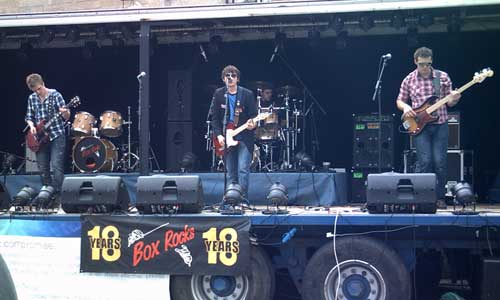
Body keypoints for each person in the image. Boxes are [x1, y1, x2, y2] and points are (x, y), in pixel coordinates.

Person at [396, 47, 461, 208]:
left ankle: (440, 198)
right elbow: (400, 100)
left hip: (440, 124)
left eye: (428, 64)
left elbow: (450, 102)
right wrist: (405, 108)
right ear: (415, 62)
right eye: (422, 64)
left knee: (440, 162)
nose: (425, 67)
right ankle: (421, 198)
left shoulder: (442, 77)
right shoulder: (409, 79)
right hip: (419, 125)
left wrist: (455, 98)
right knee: (424, 161)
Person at [210, 65, 257, 199]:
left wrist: (252, 124)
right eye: (227, 76)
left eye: (233, 76)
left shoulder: (247, 94)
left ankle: (243, 199)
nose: (230, 78)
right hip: (226, 137)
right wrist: (219, 135)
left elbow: (254, 115)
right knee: (230, 172)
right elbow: (215, 118)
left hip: (244, 136)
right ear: (223, 79)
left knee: (243, 169)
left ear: (238, 79)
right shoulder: (219, 94)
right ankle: (231, 199)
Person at [25, 73, 70, 203]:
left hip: (56, 134)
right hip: (40, 137)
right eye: (35, 90)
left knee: (56, 166)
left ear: (43, 83)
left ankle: (62, 198)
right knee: (43, 168)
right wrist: (32, 126)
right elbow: (29, 116)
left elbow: (66, 117)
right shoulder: (32, 98)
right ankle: (48, 197)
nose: (38, 92)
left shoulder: (56, 95)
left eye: (39, 89)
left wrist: (65, 112)